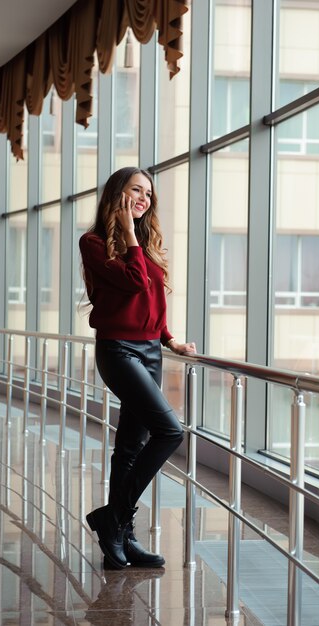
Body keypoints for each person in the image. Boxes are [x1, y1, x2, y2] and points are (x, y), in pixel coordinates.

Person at [79, 166, 196, 570]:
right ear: (117, 195)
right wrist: (129, 233)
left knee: (130, 445)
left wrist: (170, 340)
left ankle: (121, 537)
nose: (144, 198)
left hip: (150, 351)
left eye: (148, 192)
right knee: (170, 431)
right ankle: (112, 520)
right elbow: (131, 283)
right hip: (118, 350)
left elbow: (151, 301)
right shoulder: (94, 242)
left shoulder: (145, 245)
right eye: (135, 190)